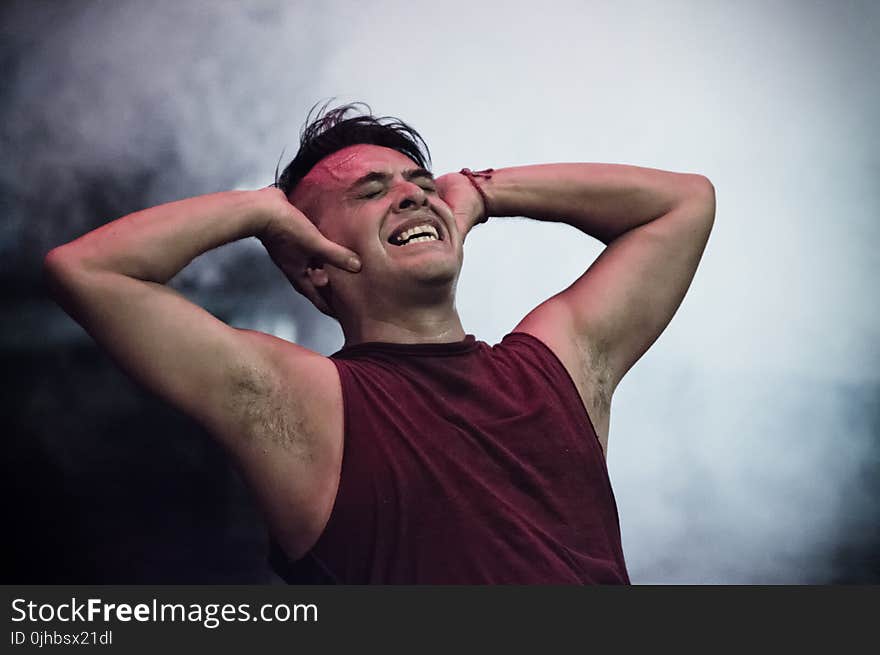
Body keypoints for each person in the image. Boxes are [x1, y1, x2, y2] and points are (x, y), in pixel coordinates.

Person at [43, 101, 715, 584]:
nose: (412, 197)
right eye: (372, 192)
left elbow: (684, 203)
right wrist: (256, 208)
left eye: (421, 187)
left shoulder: (553, 367)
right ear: (312, 259)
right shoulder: (304, 404)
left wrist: (484, 189)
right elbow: (86, 271)